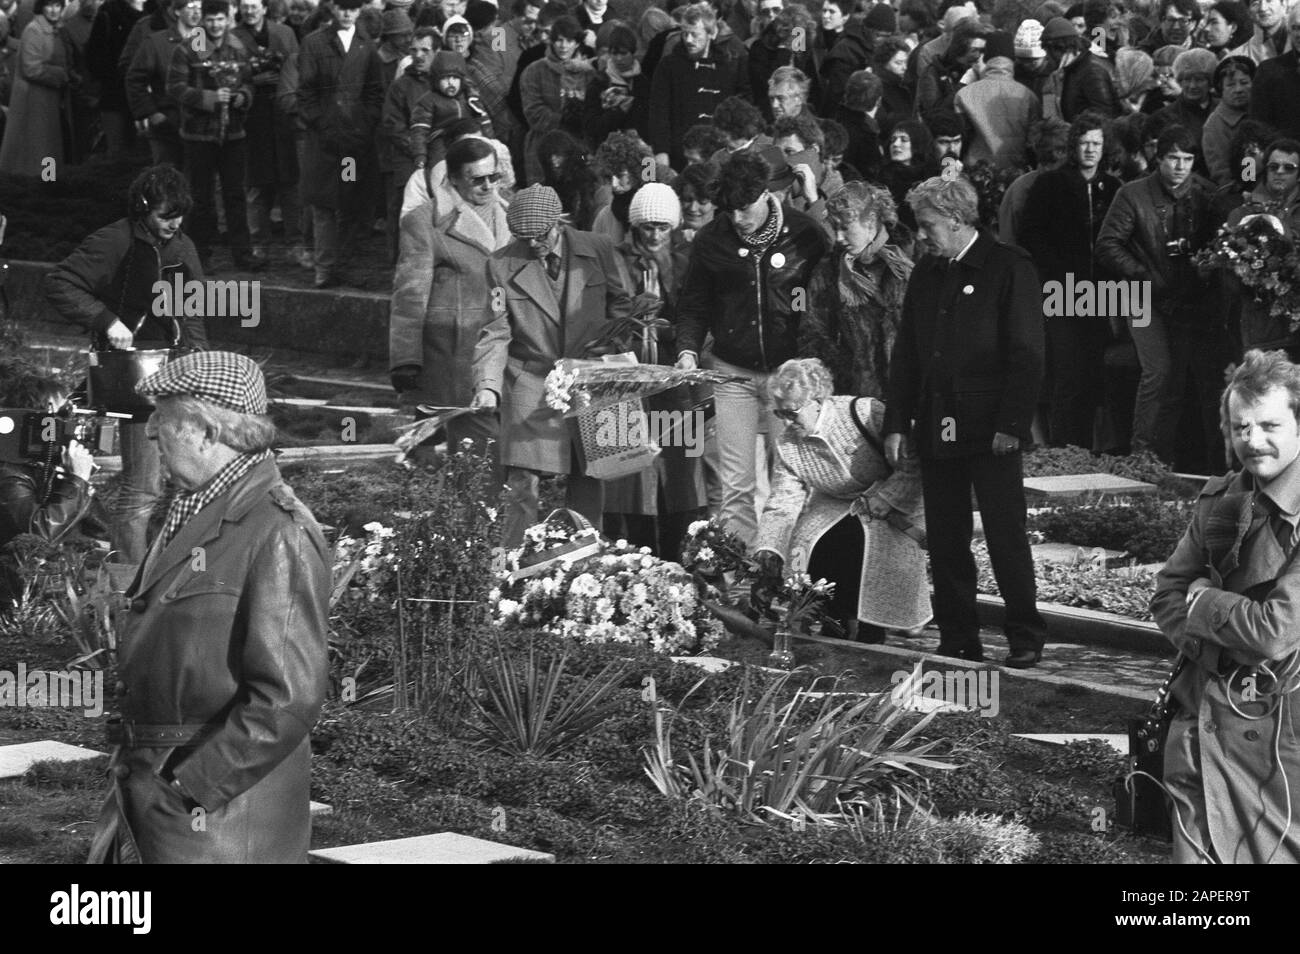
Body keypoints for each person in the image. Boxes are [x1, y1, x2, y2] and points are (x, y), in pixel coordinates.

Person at [86, 351, 329, 864]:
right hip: (157, 800)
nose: (150, 432)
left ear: (206, 430)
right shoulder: (196, 508)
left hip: (213, 821)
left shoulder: (277, 530)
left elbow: (287, 699)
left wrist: (188, 788)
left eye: (163, 417)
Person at [883, 174, 1047, 668]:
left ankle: (1024, 634)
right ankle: (958, 634)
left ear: (956, 220)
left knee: (1005, 534)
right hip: (937, 424)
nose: (922, 235)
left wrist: (1012, 424)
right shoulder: (927, 273)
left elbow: (1028, 353)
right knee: (947, 537)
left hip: (990, 429)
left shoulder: (1009, 267)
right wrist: (896, 421)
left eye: (929, 224)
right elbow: (908, 355)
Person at [1151, 348, 1300, 864]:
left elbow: (1274, 631)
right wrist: (1213, 646)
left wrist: (1207, 600)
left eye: (1269, 425)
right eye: (1241, 427)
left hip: (1279, 739)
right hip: (1202, 721)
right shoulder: (1221, 500)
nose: (1253, 441)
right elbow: (1167, 594)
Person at [44, 165, 209, 567]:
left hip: (177, 372)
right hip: (135, 375)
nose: (174, 224)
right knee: (144, 487)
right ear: (143, 208)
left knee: (189, 478)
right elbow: (59, 282)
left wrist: (201, 363)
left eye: (180, 215)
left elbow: (191, 314)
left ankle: (160, 569)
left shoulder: (182, 246)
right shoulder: (114, 240)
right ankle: (129, 584)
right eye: (165, 216)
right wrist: (107, 321)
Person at [674, 150, 829, 547]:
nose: (737, 219)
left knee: (791, 479)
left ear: (766, 194)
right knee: (735, 484)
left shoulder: (804, 233)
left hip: (789, 376)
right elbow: (693, 305)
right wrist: (688, 350)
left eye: (744, 209)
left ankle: (791, 573)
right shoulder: (712, 238)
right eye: (729, 210)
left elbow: (826, 299)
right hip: (732, 372)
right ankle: (740, 579)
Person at [470, 184, 633, 547]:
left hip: (589, 379)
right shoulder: (499, 265)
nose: (533, 245)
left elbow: (621, 305)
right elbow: (495, 331)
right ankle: (510, 566)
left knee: (589, 474)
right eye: (522, 238)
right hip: (531, 379)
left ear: (559, 222)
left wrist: (613, 349)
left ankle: (582, 561)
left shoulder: (600, 248)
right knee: (520, 481)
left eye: (541, 235)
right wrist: (487, 385)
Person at [753, 357, 930, 643]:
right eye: (779, 413)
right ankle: (831, 619)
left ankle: (871, 628)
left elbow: (913, 463)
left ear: (817, 400)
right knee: (810, 540)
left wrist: (887, 498)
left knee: (862, 542)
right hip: (835, 503)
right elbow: (783, 501)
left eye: (792, 413)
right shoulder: (788, 443)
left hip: (893, 502)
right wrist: (769, 547)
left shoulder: (864, 412)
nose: (786, 422)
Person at [1095, 123, 1225, 471]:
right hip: (1139, 295)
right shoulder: (1132, 193)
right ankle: (1142, 457)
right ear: (1158, 158)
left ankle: (1163, 461)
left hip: (1185, 298)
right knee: (1159, 371)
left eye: (1187, 158)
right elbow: (1107, 245)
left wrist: (1206, 266)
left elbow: (1218, 242)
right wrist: (1142, 274)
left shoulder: (1204, 194)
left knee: (1176, 379)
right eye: (1172, 158)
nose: (1180, 166)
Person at [390, 136, 510, 469]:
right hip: (453, 353)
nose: (488, 186)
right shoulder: (424, 222)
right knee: (476, 451)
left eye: (493, 177)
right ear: (453, 179)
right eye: (477, 179)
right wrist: (405, 359)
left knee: (495, 450)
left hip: (504, 348)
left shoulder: (510, 215)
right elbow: (409, 293)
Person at [1020, 111, 1120, 450]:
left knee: (1097, 370)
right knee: (1067, 371)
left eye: (1097, 143)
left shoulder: (1114, 187)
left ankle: (1096, 449)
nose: (1090, 150)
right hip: (1062, 289)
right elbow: (1030, 234)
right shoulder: (1050, 183)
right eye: (1084, 142)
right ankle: (1065, 449)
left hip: (1105, 291)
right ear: (1073, 145)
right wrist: (1058, 273)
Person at [296, 0, 384, 288]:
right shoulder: (314, 43)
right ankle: (324, 268)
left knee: (349, 201)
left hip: (352, 144)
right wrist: (322, 124)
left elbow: (374, 92)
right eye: (342, 7)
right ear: (332, 8)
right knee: (323, 204)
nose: (347, 13)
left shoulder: (366, 45)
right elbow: (306, 92)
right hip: (324, 141)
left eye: (353, 7)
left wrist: (364, 125)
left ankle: (343, 265)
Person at [167, 0, 256, 272]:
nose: (215, 25)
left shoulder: (239, 46)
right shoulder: (189, 48)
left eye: (220, 20)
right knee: (200, 197)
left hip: (233, 134)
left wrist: (242, 97)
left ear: (228, 18)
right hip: (199, 135)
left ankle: (243, 255)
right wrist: (210, 98)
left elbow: (249, 82)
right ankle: (199, 257)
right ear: (203, 20)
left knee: (235, 195)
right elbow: (174, 87)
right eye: (210, 20)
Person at [802, 181, 912, 398]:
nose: (840, 238)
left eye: (845, 228)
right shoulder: (828, 270)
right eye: (835, 229)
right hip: (852, 398)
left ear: (870, 222)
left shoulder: (911, 262)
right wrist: (846, 373)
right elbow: (811, 333)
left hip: (906, 394)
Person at [0, 362, 94, 615]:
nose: (69, 421)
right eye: (62, 413)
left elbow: (102, 528)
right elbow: (35, 535)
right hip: (12, 597)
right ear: (40, 421)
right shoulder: (9, 471)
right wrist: (76, 481)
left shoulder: (36, 462)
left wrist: (73, 479)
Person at [0, 0, 73, 177]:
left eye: (58, 6)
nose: (54, 11)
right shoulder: (34, 29)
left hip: (47, 99)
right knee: (40, 147)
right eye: (50, 6)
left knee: (47, 145)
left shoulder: (55, 29)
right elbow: (31, 68)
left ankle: (48, 179)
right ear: (42, 7)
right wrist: (61, 74)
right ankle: (42, 181)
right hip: (34, 100)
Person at [1249, 3, 1300, 141]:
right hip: (1283, 156)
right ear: (1289, 31)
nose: (1299, 34)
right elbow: (1256, 131)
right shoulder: (1268, 71)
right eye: (1295, 28)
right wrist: (1249, 163)